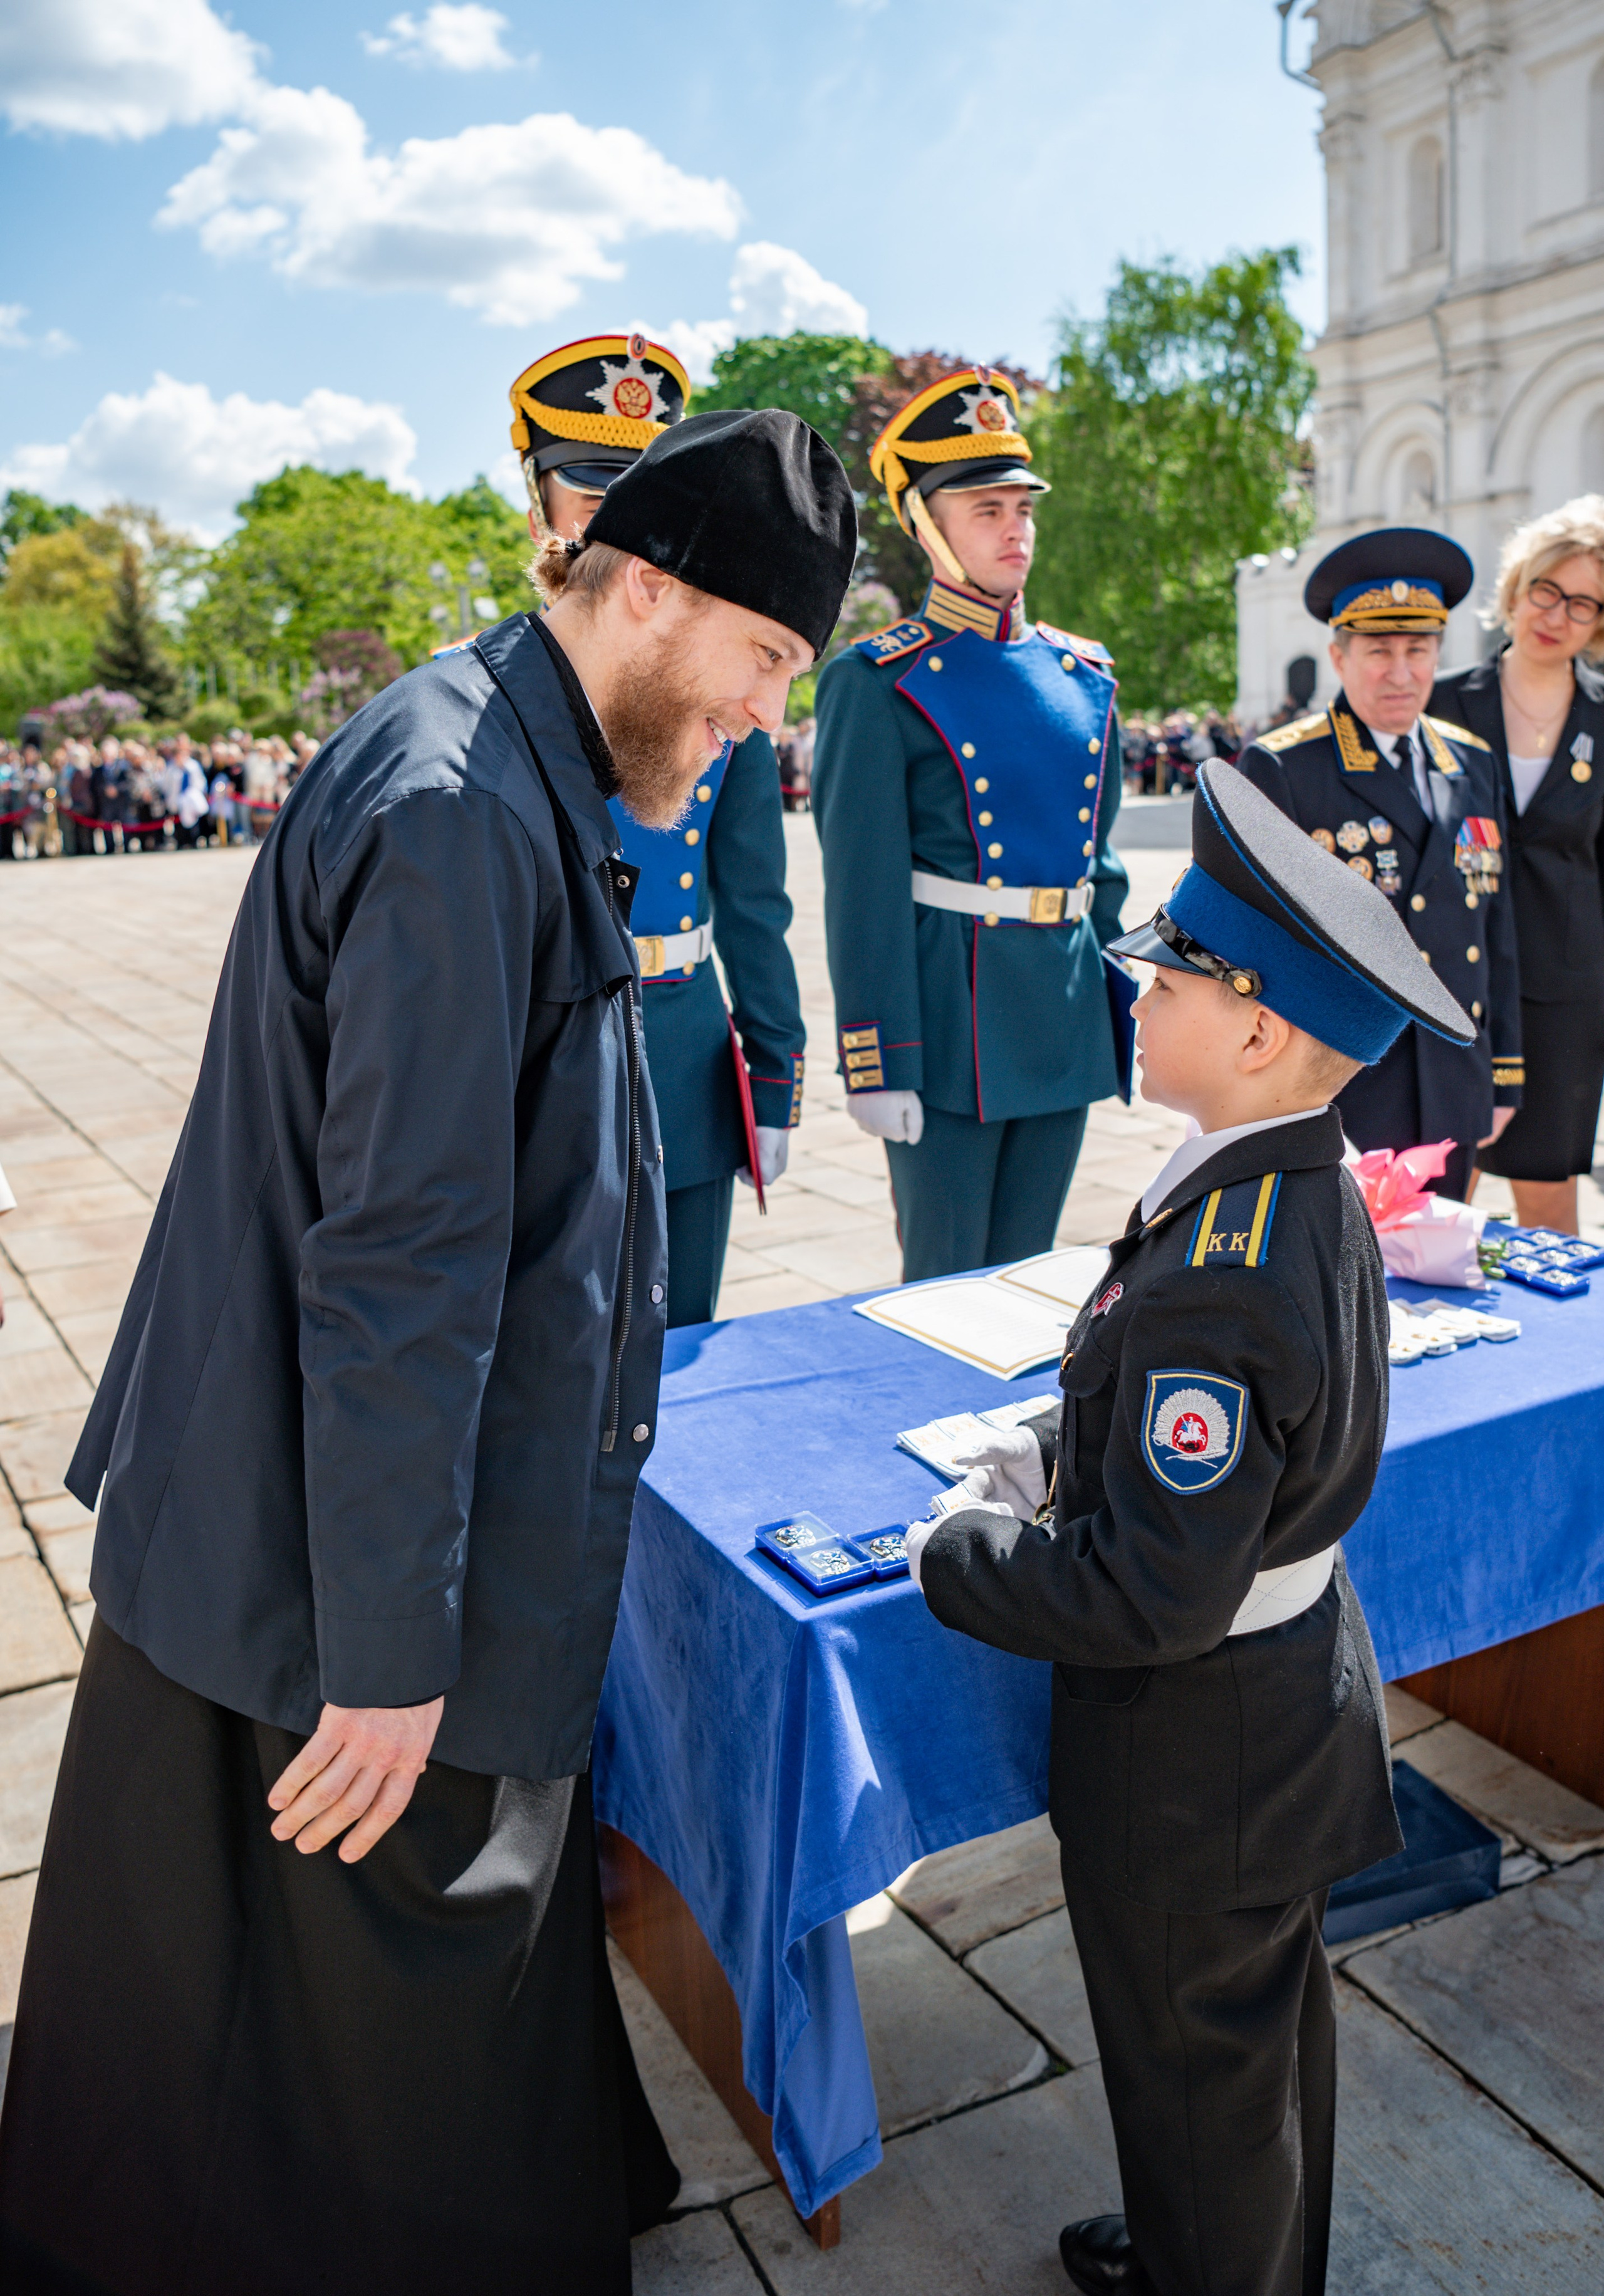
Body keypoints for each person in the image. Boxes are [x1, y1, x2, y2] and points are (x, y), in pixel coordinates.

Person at [0, 407, 856, 2296]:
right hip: (356, 1575)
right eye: (759, 662)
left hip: (323, 1509)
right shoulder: (465, 810)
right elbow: (404, 1263)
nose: (757, 720)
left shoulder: (508, 746)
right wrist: (393, 1662)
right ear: (640, 588)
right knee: (379, 2017)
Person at [910, 761, 1477, 2296]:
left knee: (1191, 2061)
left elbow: (1144, 1595)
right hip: (1275, 1714)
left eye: (1169, 976)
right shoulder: (1273, 1187)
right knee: (1249, 2042)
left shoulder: (1220, 1264)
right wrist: (1050, 1438)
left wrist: (950, 1549)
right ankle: (1220, 2250)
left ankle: (1212, 2261)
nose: (1138, 994)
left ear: (1256, 1030)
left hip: (1194, 1752)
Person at [509, 335, 808, 1323]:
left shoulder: (732, 685)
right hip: (539, 1062)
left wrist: (772, 1070)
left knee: (683, 1366)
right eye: (592, 491)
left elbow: (756, 903)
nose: (621, 522)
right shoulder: (492, 689)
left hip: (681, 1052)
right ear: (537, 497)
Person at [811, 365, 1128, 1281]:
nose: (1014, 529)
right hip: (952, 1025)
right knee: (944, 1288)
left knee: (1031, 1282)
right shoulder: (878, 681)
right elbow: (862, 893)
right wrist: (877, 1061)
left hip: (1059, 1019)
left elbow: (1098, 872)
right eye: (985, 509)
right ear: (925, 523)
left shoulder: (1086, 676)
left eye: (1022, 508)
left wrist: (1121, 1019)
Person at [1236, 528, 1521, 1202]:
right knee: (1341, 1290)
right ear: (1338, 655)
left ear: (1437, 653)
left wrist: (1501, 1074)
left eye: (1417, 650)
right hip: (1341, 1085)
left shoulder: (1471, 760)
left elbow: (1497, 928)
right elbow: (1253, 946)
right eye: (1378, 651)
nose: (1400, 672)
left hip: (1455, 1076)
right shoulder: (1284, 766)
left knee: (1444, 1285)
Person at [1430, 496, 1604, 1232]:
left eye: (1583, 604)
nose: (1557, 614)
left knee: (1546, 1202)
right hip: (1450, 989)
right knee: (1430, 1204)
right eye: (1546, 589)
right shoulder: (1442, 705)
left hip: (1564, 992)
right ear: (1515, 588)